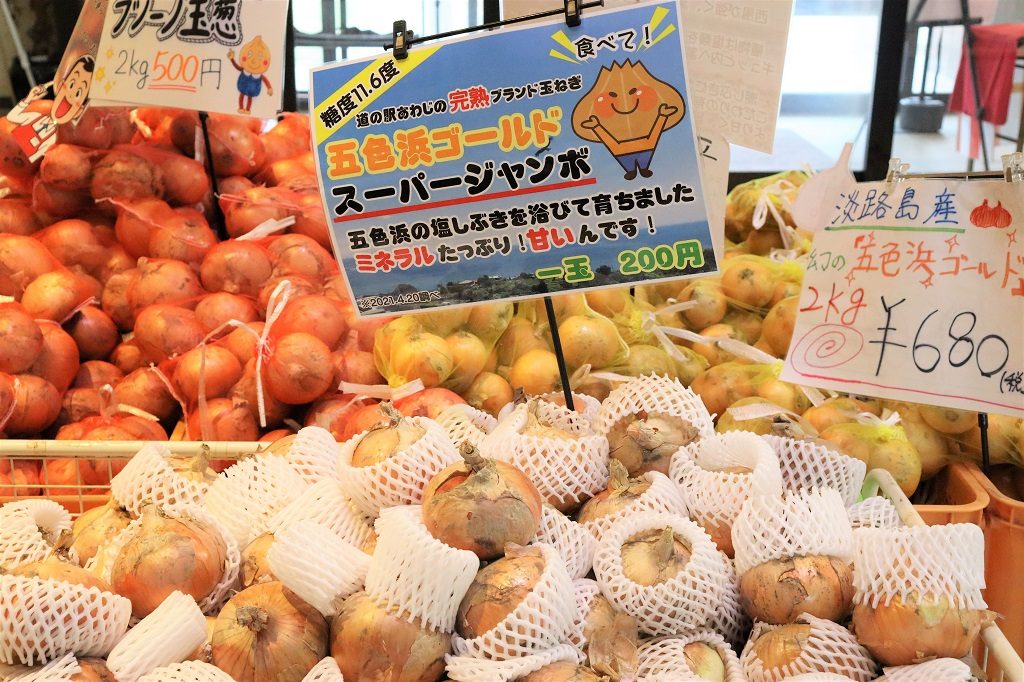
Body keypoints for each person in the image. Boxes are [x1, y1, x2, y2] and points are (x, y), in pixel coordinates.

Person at [228, 35, 274, 115]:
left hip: (252, 90)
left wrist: (269, 87)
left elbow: (265, 80)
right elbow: (236, 66)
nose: (253, 60)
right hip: (243, 86)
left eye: (260, 57)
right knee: (242, 95)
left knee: (249, 97)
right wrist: (232, 59)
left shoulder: (259, 75)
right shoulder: (244, 69)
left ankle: (248, 109)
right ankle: (241, 107)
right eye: (249, 54)